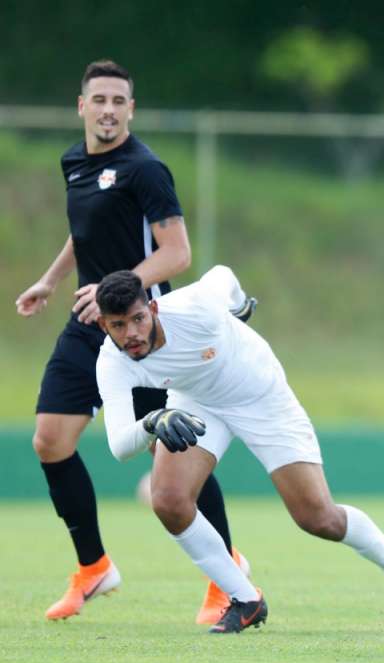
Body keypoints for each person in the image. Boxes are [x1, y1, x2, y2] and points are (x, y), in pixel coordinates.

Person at [14, 59, 243, 623]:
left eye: (120, 101)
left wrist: (119, 291)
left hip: (143, 330)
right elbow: (83, 227)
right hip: (85, 323)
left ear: (131, 110)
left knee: (178, 450)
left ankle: (228, 574)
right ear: (82, 105)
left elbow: (178, 254)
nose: (109, 110)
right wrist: (50, 279)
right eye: (100, 100)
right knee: (50, 440)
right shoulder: (74, 162)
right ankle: (94, 568)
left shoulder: (145, 169)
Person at [93, 266, 384, 633]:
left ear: (154, 310)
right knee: (168, 499)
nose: (131, 334)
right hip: (197, 402)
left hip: (260, 395)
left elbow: (222, 274)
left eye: (138, 319)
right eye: (118, 325)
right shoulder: (112, 363)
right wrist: (152, 422)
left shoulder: (198, 308)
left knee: (317, 517)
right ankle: (245, 599)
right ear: (103, 326)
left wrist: (238, 307)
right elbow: (119, 446)